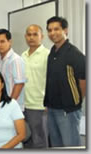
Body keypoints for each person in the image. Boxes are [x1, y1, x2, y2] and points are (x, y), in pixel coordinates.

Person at [44, 16, 86, 147]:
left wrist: (75, 103)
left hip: (68, 111)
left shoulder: (74, 53)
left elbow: (84, 81)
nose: (52, 33)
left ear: (65, 30)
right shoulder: (52, 51)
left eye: (56, 29)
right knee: (56, 145)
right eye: (50, 30)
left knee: (70, 145)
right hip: (51, 108)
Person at [21, 24, 49, 148]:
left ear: (42, 36)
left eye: (35, 34)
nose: (31, 37)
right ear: (25, 37)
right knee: (26, 139)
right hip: (23, 104)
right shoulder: (22, 55)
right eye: (29, 34)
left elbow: (51, 81)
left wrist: (48, 103)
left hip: (39, 105)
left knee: (40, 141)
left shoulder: (47, 55)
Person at [0, 28, 26, 111]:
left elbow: (19, 84)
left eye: (2, 41)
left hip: (13, 107)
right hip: (1, 105)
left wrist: (9, 105)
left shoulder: (16, 60)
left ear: (10, 42)